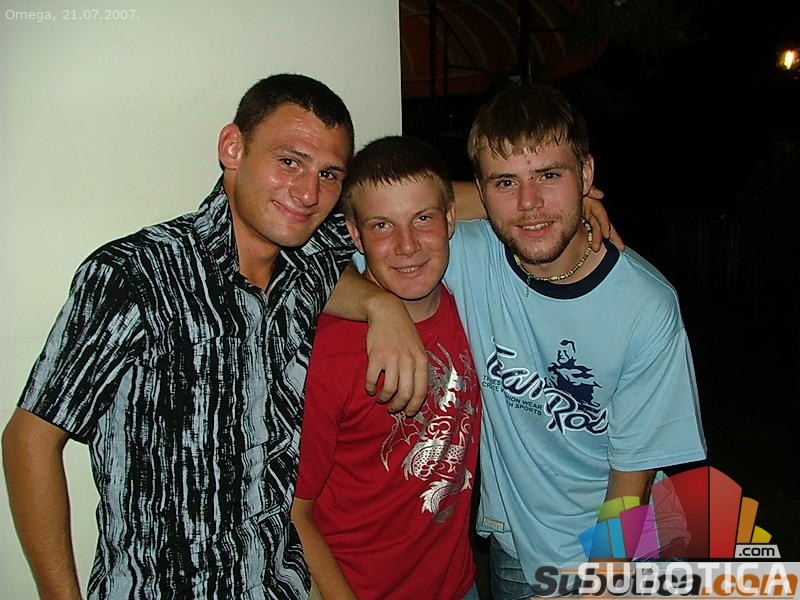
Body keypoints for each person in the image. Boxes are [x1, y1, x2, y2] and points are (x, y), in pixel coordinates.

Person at [2, 74, 430, 600]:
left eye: (328, 174)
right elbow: (29, 440)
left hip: (280, 585)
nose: (308, 193)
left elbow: (423, 203)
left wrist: (382, 305)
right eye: (288, 161)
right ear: (233, 148)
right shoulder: (136, 275)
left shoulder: (307, 262)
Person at [440, 83, 707, 598]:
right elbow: (362, 216)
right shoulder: (465, 255)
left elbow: (631, 478)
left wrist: (602, 583)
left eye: (549, 175)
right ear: (479, 189)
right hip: (518, 550)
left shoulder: (644, 304)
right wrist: (379, 308)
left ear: (586, 175)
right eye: (505, 182)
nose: (529, 203)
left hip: (629, 547)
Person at [291, 136, 481, 600]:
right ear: (354, 235)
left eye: (423, 219)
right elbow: (294, 512)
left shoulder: (474, 308)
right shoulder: (328, 356)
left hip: (459, 583)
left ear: (450, 219)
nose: (407, 245)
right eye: (381, 226)